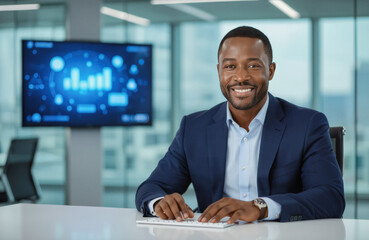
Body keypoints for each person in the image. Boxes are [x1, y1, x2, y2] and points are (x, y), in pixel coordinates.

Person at [135, 26, 345, 223]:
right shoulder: (194, 128)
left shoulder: (307, 125)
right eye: (230, 66)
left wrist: (260, 207)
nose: (241, 77)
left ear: (270, 71)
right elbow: (152, 187)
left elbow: (330, 197)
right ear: (219, 71)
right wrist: (159, 202)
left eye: (253, 66)